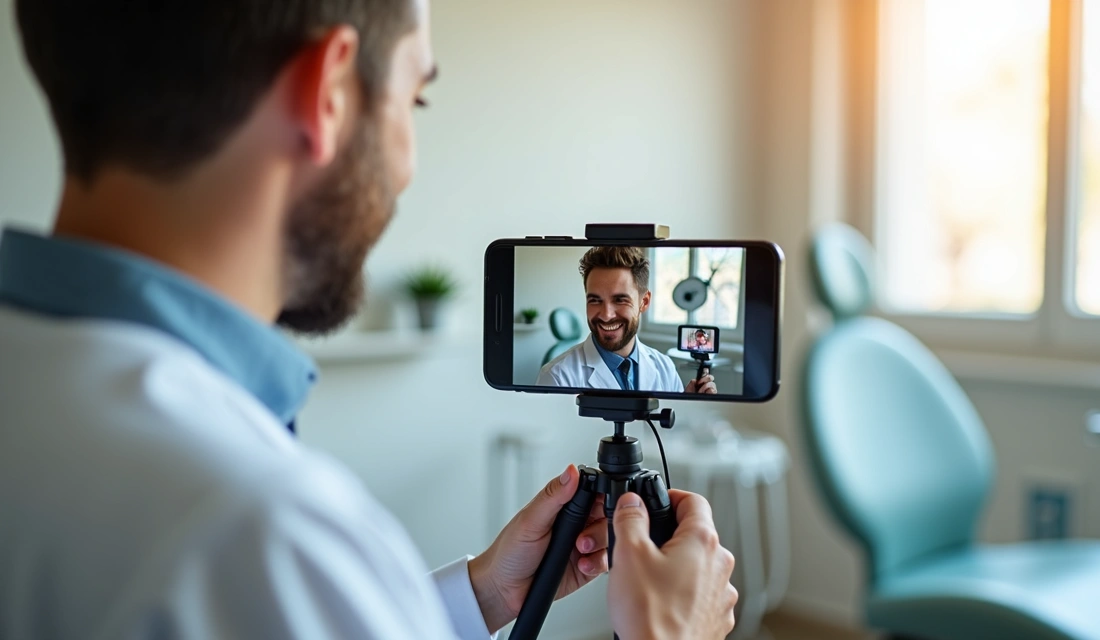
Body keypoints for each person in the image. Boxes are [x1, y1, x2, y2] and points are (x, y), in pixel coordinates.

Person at [0, 1, 737, 638]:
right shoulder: (254, 531)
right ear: (327, 91)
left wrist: (480, 595)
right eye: (414, 100)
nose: (408, 162)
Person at [537, 247, 718, 394]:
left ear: (644, 302)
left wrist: (688, 407)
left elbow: (668, 437)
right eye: (595, 300)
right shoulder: (557, 377)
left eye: (620, 300)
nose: (606, 315)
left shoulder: (664, 368)